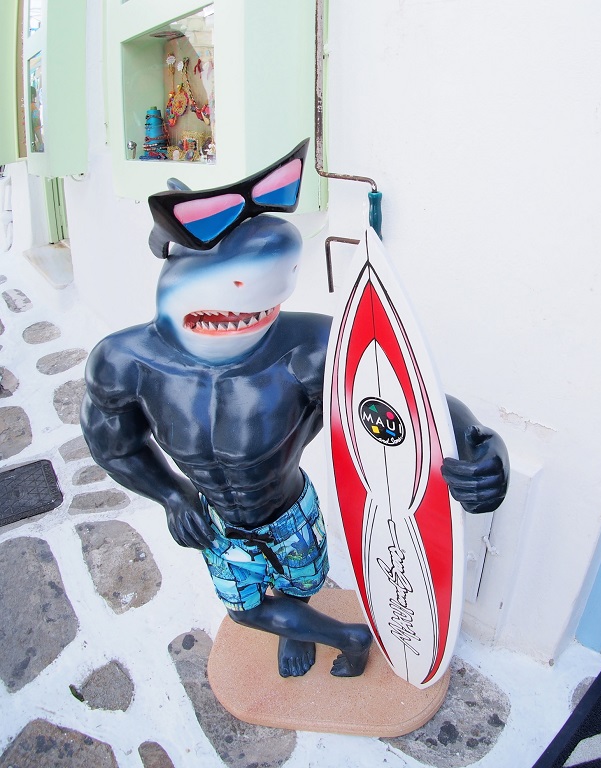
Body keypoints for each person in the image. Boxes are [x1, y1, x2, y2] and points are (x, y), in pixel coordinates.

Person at [81, 160, 508, 680]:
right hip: (215, 518)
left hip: (289, 510)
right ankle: (339, 635)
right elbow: (113, 446)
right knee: (243, 609)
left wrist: (479, 445)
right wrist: (170, 494)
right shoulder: (124, 363)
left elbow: (416, 403)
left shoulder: (311, 351)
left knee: (302, 583)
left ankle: (298, 623)